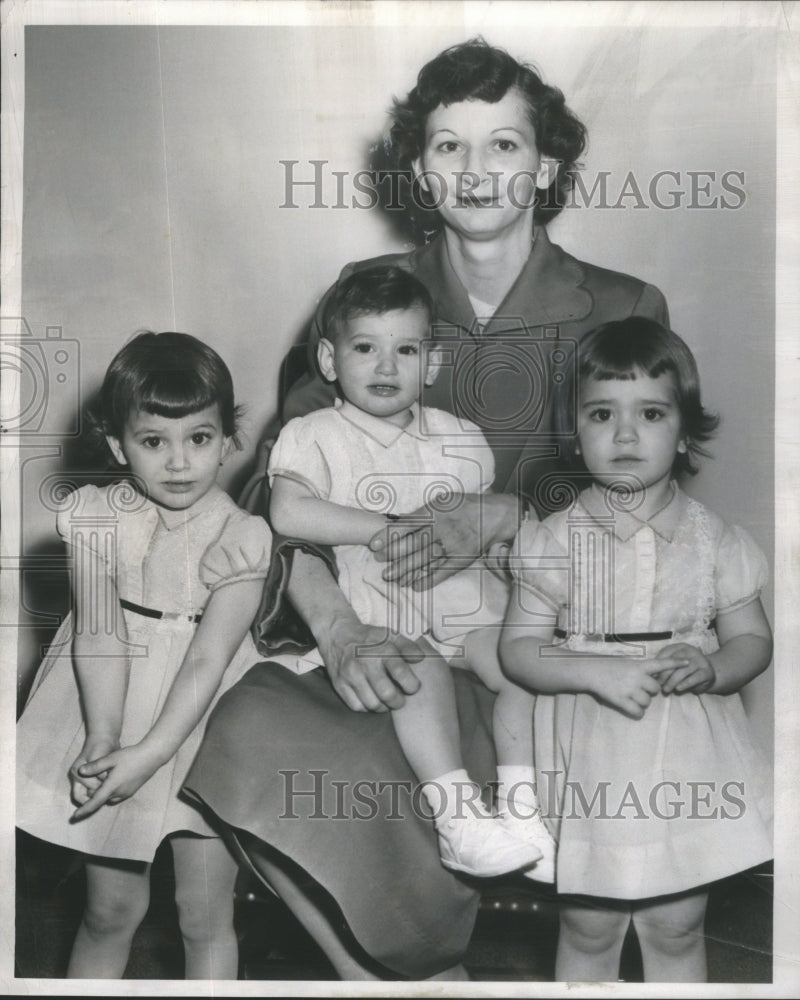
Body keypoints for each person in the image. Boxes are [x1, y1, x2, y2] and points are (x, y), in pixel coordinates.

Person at [185, 38, 670, 979]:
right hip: (373, 619)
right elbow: (272, 498)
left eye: (503, 145)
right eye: (449, 146)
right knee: (251, 729)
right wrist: (338, 626)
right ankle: (398, 975)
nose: (476, 172)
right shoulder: (368, 302)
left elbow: (641, 487)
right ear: (419, 168)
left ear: (545, 167)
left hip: (529, 633)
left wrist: (509, 513)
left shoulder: (618, 305)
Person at [499, 317, 773, 983]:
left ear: (683, 433)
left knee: (674, 924)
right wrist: (592, 671)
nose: (625, 434)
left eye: (650, 413)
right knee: (589, 925)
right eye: (602, 414)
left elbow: (752, 641)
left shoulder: (716, 539)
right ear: (575, 433)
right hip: (592, 754)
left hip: (687, 757)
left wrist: (712, 667)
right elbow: (519, 649)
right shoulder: (552, 539)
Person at [269, 264, 555, 880]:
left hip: (463, 599)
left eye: (406, 350)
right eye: (364, 348)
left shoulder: (462, 439)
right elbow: (288, 512)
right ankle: (457, 818)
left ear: (430, 364)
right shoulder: (313, 435)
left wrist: (508, 554)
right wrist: (383, 527)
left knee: (521, 666)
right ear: (328, 359)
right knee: (415, 667)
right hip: (382, 599)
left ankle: (522, 809)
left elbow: (485, 538)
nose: (385, 366)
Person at [16, 332, 273, 979]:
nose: (179, 462)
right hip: (115, 699)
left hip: (206, 721)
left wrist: (150, 753)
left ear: (229, 439)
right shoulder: (94, 517)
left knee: (202, 915)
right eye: (153, 441)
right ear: (116, 445)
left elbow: (208, 660)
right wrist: (105, 741)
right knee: (110, 911)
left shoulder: (244, 536)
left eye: (200, 438)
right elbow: (99, 633)